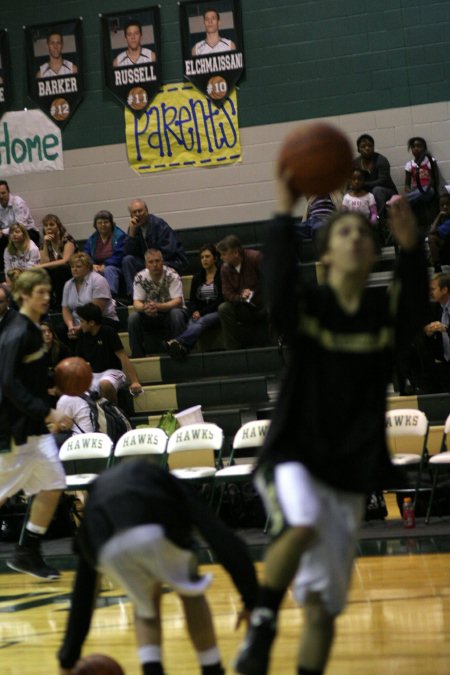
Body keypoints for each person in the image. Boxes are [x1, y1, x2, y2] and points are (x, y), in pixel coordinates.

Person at [233, 184, 428, 675]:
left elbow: (412, 306)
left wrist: (411, 247)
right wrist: (281, 211)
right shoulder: (308, 309)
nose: (356, 238)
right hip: (294, 454)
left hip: (347, 469)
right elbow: (277, 283)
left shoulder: (380, 319)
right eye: (344, 230)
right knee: (302, 523)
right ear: (324, 251)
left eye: (364, 231)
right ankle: (261, 627)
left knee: (322, 610)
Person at [57, 460, 258, 675]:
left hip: (106, 543)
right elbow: (220, 536)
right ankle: (212, 668)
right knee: (191, 594)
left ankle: (152, 669)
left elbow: (84, 589)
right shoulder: (168, 481)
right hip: (154, 528)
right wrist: (251, 599)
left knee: (145, 603)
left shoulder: (99, 488)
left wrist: (68, 657)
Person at [0, 268, 73, 580]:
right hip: (12, 429)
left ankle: (28, 552)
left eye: (47, 291)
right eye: (39, 292)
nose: (46, 296)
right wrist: (47, 413)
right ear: (24, 296)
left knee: (54, 483)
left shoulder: (33, 328)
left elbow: (28, 380)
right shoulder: (16, 332)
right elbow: (8, 384)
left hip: (32, 429)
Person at [76, 302, 142, 405]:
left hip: (113, 372)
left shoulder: (108, 332)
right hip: (93, 374)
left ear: (92, 323)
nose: (80, 325)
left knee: (105, 384)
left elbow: (123, 357)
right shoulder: (82, 334)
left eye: (82, 321)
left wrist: (134, 381)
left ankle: (113, 414)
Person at [166, 244, 223, 359]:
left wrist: (201, 313)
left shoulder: (222, 275)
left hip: (216, 311)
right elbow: (192, 301)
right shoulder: (197, 278)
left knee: (201, 321)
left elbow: (221, 299)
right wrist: (195, 311)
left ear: (215, 258)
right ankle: (183, 349)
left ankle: (177, 341)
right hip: (199, 312)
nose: (204, 260)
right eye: (202, 257)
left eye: (207, 256)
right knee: (191, 323)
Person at [122, 199, 187, 299]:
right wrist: (131, 234)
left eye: (140, 211)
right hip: (148, 263)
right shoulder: (134, 228)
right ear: (131, 215)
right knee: (127, 260)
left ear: (147, 210)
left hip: (169, 261)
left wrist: (151, 262)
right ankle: (134, 297)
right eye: (134, 212)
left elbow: (169, 250)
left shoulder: (158, 224)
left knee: (155, 264)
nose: (138, 214)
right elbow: (129, 252)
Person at [128, 248, 187, 357]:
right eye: (151, 262)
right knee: (133, 318)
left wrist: (158, 306)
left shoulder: (172, 275)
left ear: (162, 261)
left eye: (157, 261)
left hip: (170, 314)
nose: (155, 264)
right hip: (151, 314)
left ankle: (181, 348)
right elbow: (136, 303)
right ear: (146, 264)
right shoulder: (140, 277)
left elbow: (178, 302)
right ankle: (138, 356)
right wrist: (145, 307)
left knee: (176, 314)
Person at [216, 235, 268, 350]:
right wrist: (240, 297)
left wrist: (254, 293)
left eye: (224, 254)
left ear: (235, 253)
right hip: (242, 305)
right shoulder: (224, 268)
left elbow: (269, 281)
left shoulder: (256, 258)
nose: (221, 257)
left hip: (262, 302)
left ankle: (276, 344)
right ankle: (233, 348)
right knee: (223, 308)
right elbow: (226, 293)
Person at [61, 252, 119, 343]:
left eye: (78, 267)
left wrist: (80, 327)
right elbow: (66, 309)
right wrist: (71, 326)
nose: (74, 269)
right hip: (78, 322)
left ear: (88, 267)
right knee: (60, 330)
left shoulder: (98, 280)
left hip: (100, 319)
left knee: (89, 328)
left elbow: (95, 311)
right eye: (72, 267)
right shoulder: (68, 284)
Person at [415, 273, 450, 394]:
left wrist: (446, 328)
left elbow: (446, 329)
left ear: (444, 289)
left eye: (433, 289)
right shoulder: (436, 308)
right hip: (444, 365)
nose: (430, 292)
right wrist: (428, 333)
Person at [83, 210, 127, 300]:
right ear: (96, 225)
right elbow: (86, 254)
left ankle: (110, 297)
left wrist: (106, 264)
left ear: (111, 223)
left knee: (109, 270)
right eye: (100, 223)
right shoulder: (92, 239)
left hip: (116, 266)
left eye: (106, 222)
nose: (103, 225)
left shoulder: (120, 236)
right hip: (97, 266)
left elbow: (120, 254)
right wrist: (92, 264)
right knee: (89, 272)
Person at [38, 213, 78, 307]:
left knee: (60, 269)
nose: (48, 228)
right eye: (46, 225)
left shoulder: (67, 239)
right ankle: (49, 303)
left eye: (52, 225)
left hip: (72, 269)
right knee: (42, 272)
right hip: (55, 272)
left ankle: (60, 303)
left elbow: (65, 260)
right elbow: (44, 262)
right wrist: (45, 243)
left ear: (58, 226)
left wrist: (40, 266)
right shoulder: (45, 242)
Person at [0, 181, 40, 275]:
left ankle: (24, 269)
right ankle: (3, 273)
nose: (1, 196)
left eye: (3, 193)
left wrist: (3, 231)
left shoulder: (18, 202)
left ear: (8, 192)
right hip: (8, 234)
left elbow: (21, 224)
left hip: (28, 231)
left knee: (8, 239)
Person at [352, 134, 397, 214]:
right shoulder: (356, 163)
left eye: (370, 146)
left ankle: (379, 221)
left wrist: (364, 185)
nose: (367, 148)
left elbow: (383, 181)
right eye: (363, 146)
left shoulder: (381, 160)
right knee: (348, 193)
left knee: (377, 190)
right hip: (366, 191)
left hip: (387, 192)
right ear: (358, 149)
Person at [404, 137, 439, 212]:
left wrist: (426, 188)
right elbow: (407, 185)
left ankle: (403, 200)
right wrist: (408, 190)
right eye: (413, 147)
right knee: (413, 200)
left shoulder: (430, 161)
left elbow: (435, 179)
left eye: (419, 146)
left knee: (430, 191)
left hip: (427, 189)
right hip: (414, 190)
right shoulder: (410, 164)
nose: (416, 148)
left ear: (424, 148)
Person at [40, 321, 72, 405]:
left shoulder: (61, 348)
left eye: (49, 331)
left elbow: (70, 371)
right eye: (43, 332)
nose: (47, 334)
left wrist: (58, 388)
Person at [427, 192, 450, 272]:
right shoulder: (444, 218)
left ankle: (437, 266)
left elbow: (432, 231)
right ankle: (436, 265)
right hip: (445, 247)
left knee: (432, 238)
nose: (445, 207)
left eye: (447, 204)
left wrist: (439, 215)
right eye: (442, 205)